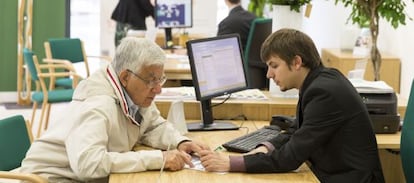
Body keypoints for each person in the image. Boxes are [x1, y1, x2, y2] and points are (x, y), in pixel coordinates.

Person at [199, 29, 385, 183]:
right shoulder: (320, 80)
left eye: (274, 65)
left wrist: (231, 163)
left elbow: (290, 158)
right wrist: (266, 147)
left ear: (297, 62)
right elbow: (297, 130)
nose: (269, 75)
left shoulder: (324, 92)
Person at [20, 37, 209, 182]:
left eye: (160, 79)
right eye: (151, 80)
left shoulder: (133, 91)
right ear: (125, 76)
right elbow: (88, 165)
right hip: (51, 178)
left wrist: (179, 142)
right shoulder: (98, 104)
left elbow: (152, 126)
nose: (158, 89)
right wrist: (158, 159)